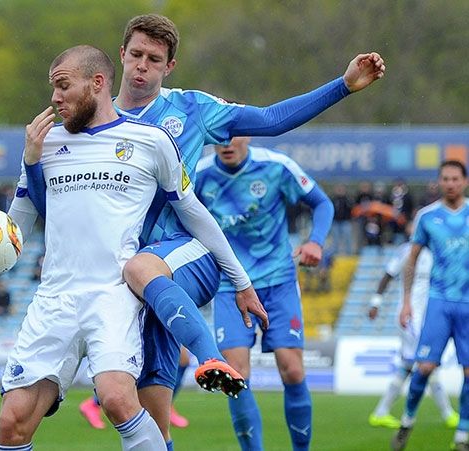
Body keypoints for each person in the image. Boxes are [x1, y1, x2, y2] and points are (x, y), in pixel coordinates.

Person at [25, 14, 384, 447]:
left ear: (168, 67)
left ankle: (208, 357)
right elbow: (48, 208)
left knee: (143, 271)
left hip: (177, 260)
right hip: (119, 284)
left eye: (154, 59)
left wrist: (342, 85)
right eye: (136, 54)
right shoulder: (86, 125)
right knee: (149, 425)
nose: (142, 65)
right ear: (120, 56)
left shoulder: (191, 109)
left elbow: (270, 119)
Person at [0, 44, 266, 451]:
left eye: (63, 86)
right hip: (54, 299)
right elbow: (15, 224)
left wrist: (241, 281)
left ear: (97, 84)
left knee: (116, 399)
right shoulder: (46, 145)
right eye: (52, 88)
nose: (55, 98)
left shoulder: (151, 140)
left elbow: (196, 214)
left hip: (113, 297)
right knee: (12, 422)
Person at [195, 137, 334, 451]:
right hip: (231, 285)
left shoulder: (276, 166)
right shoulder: (199, 174)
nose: (227, 143)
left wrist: (316, 241)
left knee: (294, 370)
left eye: (234, 136)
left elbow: (322, 203)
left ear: (248, 135)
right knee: (236, 376)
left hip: (278, 281)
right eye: (219, 137)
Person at [391, 160, 469, 451]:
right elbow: (411, 260)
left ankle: (462, 434)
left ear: (464, 181)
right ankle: (407, 420)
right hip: (438, 303)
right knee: (423, 367)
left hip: (468, 304)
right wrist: (407, 302)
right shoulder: (427, 217)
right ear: (440, 182)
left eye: (455, 178)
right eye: (445, 178)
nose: (450, 183)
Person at [367, 221, 458, 429]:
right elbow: (387, 276)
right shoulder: (406, 251)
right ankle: (448, 414)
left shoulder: (437, 251)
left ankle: (381, 411)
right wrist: (376, 303)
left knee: (408, 365)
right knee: (428, 364)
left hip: (428, 317)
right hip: (410, 318)